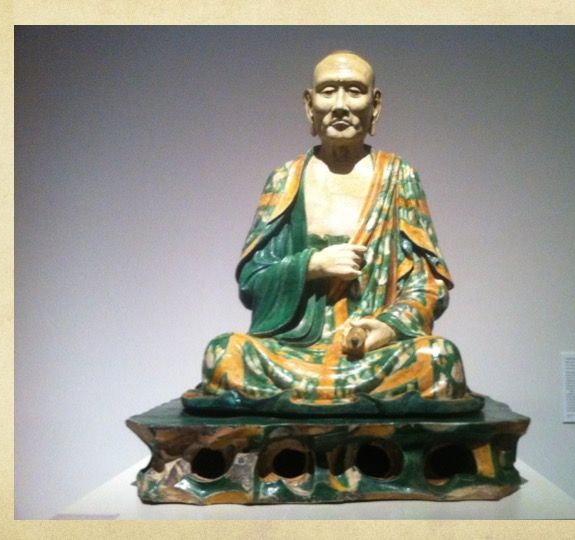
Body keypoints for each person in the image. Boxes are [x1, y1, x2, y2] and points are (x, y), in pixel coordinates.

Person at [182, 51, 483, 415]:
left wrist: (387, 329)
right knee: (224, 354)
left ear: (375, 105)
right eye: (328, 91)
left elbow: (428, 284)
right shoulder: (286, 180)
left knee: (438, 358)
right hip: (292, 351)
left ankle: (309, 406)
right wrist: (312, 266)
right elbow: (251, 281)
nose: (340, 105)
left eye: (354, 91)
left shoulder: (399, 177)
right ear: (310, 105)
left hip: (370, 355)